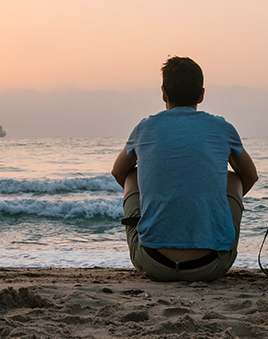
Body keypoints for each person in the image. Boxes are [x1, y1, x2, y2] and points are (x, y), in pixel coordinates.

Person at [111, 56, 258, 281]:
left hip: (153, 262)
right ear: (201, 94)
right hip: (212, 265)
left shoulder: (145, 128)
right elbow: (250, 176)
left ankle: (152, 231)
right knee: (234, 179)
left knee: (133, 174)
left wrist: (154, 193)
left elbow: (117, 172)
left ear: (163, 93)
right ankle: (215, 233)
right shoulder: (222, 128)